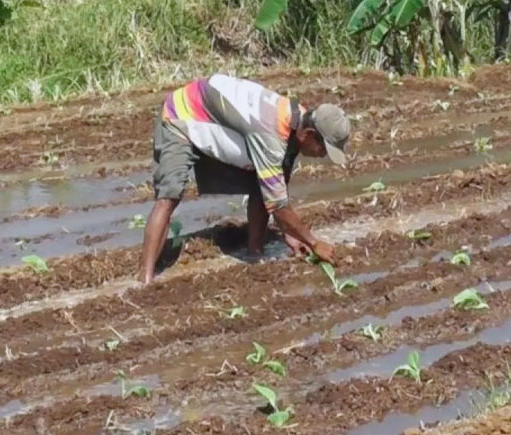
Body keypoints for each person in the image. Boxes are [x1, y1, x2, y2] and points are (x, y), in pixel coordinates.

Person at [137, 73, 351, 284]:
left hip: (213, 113)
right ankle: (144, 279)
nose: (322, 155)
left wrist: (290, 233)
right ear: (310, 134)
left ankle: (254, 252)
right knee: (169, 195)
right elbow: (277, 203)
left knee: (263, 181)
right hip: (181, 114)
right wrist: (314, 243)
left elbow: (276, 185)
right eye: (323, 148)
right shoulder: (271, 134)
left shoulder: (298, 119)